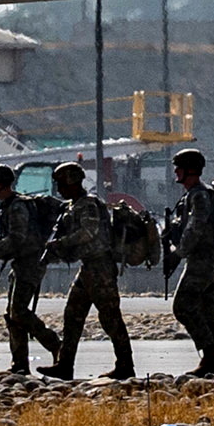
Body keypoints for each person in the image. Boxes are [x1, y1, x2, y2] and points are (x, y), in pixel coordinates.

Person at [47, 162, 137, 379]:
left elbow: (88, 232)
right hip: (88, 267)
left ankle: (126, 365)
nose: (59, 189)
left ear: (72, 181)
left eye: (61, 183)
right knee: (72, 315)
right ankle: (64, 365)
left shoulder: (87, 205)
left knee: (110, 318)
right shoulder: (73, 205)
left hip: (100, 268)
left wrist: (62, 243)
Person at [160, 149, 214, 379]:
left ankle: (211, 353)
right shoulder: (194, 195)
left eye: (179, 167)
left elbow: (195, 228)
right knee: (207, 311)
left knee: (183, 306)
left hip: (204, 258)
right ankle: (212, 364)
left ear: (190, 170)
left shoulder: (199, 196)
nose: (176, 171)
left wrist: (178, 254)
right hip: (207, 258)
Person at [0, 161, 57, 377]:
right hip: (21, 264)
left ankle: (56, 346)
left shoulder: (18, 206)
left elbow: (18, 238)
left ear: (1, 184)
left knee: (19, 312)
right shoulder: (9, 206)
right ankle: (19, 364)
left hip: (30, 263)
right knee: (12, 315)